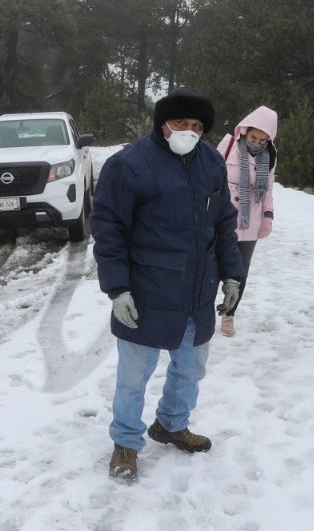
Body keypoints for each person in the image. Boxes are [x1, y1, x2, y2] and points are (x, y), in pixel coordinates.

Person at [91, 87, 244, 482]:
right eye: (181, 123)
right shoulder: (129, 165)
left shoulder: (210, 162)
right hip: (146, 291)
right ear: (163, 124)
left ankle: (171, 424)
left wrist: (232, 274)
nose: (189, 132)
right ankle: (126, 442)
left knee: (190, 369)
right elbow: (109, 230)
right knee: (132, 378)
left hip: (197, 291)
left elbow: (224, 222)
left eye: (197, 126)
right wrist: (117, 288)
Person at [215, 106, 278, 337]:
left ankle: (229, 313)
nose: (257, 142)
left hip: (250, 221)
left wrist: (268, 216)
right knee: (213, 266)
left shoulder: (269, 155)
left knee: (240, 271)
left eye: (263, 139)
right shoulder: (228, 145)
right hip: (223, 218)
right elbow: (210, 178)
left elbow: (268, 188)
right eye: (253, 137)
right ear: (244, 131)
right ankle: (199, 309)